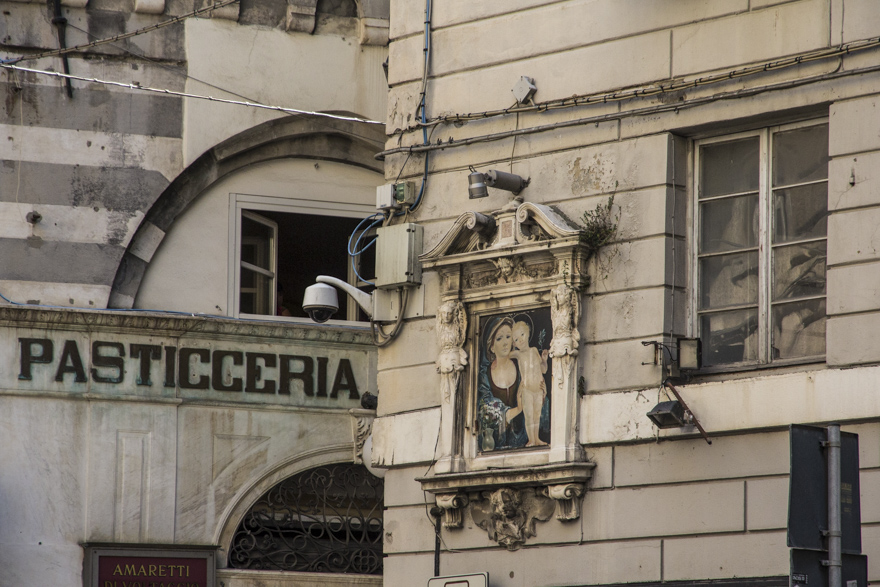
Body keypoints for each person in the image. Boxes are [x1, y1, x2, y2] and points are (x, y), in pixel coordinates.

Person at [477, 317, 526, 450]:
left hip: (522, 437)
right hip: (496, 442)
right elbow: (485, 409)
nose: (505, 343)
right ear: (491, 346)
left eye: (508, 337)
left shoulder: (522, 367)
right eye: (499, 338)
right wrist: (517, 410)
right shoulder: (485, 375)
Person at [511, 320, 549, 447]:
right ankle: (531, 439)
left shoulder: (533, 350)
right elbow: (505, 355)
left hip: (538, 389)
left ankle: (536, 438)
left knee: (537, 414)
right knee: (529, 415)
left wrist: (544, 360)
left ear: (527, 334)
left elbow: (543, 370)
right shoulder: (518, 354)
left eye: (522, 335)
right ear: (514, 344)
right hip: (526, 389)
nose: (520, 340)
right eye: (516, 339)